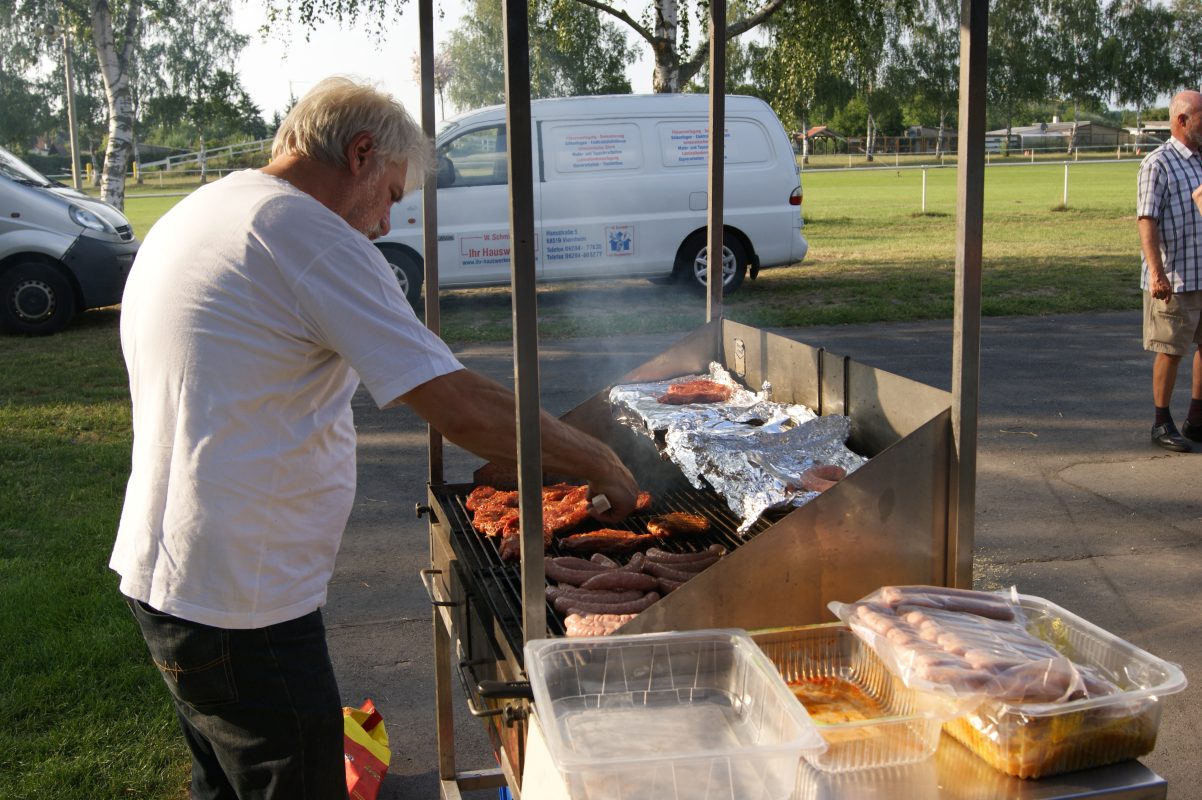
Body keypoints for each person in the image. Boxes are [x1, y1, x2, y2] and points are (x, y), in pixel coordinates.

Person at [111, 76, 640, 800]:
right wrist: (601, 460)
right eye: (392, 192)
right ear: (360, 154)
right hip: (243, 599)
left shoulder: (207, 207)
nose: (387, 223)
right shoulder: (306, 234)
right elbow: (457, 403)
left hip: (170, 576)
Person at [1137, 89, 1202, 452]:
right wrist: (1157, 273)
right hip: (1175, 277)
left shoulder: (1201, 159)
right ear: (1182, 121)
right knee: (1171, 348)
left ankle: (1196, 418)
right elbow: (1146, 220)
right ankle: (1161, 421)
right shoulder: (1158, 163)